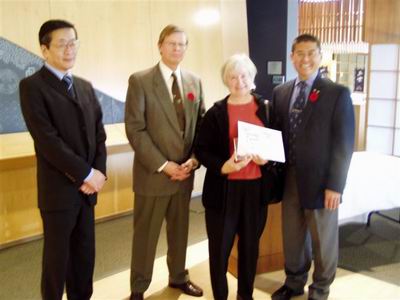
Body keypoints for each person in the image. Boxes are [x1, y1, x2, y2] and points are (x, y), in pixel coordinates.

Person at [19, 19, 107, 300]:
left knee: (84, 258)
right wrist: (86, 174)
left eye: (74, 43)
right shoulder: (32, 86)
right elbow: (48, 141)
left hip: (88, 191)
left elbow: (98, 135)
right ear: (44, 50)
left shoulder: (84, 85)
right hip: (59, 192)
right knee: (57, 262)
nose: (70, 49)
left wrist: (99, 173)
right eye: (62, 43)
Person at [270, 34, 355, 300]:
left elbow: (344, 144)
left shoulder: (336, 93)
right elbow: (275, 135)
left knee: (323, 240)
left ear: (319, 56)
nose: (305, 59)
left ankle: (320, 289)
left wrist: (335, 186)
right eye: (299, 53)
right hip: (288, 178)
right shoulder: (281, 92)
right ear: (292, 57)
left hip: (321, 181)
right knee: (292, 237)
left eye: (311, 53)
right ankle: (293, 282)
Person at [125, 24, 205, 300]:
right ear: (160, 46)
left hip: (184, 176)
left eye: (182, 44)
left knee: (181, 232)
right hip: (154, 175)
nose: (177, 49)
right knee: (145, 237)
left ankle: (178, 277)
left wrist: (194, 161)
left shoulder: (194, 81)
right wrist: (164, 165)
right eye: (172, 43)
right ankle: (138, 288)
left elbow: (201, 127)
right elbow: (135, 129)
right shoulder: (140, 80)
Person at [195, 54, 271, 300]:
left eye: (244, 76)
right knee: (219, 251)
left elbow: (277, 144)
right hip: (223, 192)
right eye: (233, 77)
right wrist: (222, 166)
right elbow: (202, 149)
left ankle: (245, 295)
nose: (239, 81)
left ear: (252, 78)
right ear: (225, 80)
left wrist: (267, 158)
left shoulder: (266, 108)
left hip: (255, 191)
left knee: (250, 249)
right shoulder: (216, 112)